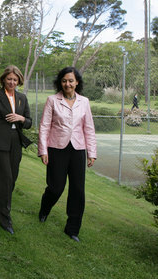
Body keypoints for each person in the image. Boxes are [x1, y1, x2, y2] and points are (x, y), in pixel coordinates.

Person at [37, 67, 96, 242]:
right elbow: (44, 126)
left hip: (78, 149)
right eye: (64, 80)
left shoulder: (84, 102)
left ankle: (72, 229)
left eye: (71, 80)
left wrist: (91, 152)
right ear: (60, 83)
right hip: (57, 148)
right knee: (56, 187)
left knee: (78, 190)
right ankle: (45, 208)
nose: (67, 84)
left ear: (77, 82)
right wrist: (43, 150)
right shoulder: (52, 100)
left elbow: (89, 128)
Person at [0, 65, 32, 234]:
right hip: (0, 144)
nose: (12, 82)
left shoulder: (22, 98)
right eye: (9, 79)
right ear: (3, 79)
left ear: (19, 80)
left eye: (15, 79)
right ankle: (5, 218)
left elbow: (29, 122)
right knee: (6, 179)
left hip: (16, 144)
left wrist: (21, 118)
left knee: (12, 180)